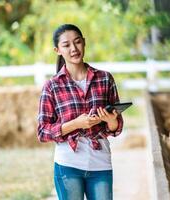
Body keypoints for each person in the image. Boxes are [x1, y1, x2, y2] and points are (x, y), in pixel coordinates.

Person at [37, 24, 123, 200]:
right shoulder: (52, 86)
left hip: (101, 163)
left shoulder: (105, 78)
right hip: (67, 164)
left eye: (77, 42)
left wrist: (110, 120)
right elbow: (43, 132)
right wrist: (75, 124)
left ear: (84, 43)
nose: (74, 49)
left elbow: (116, 127)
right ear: (57, 50)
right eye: (66, 45)